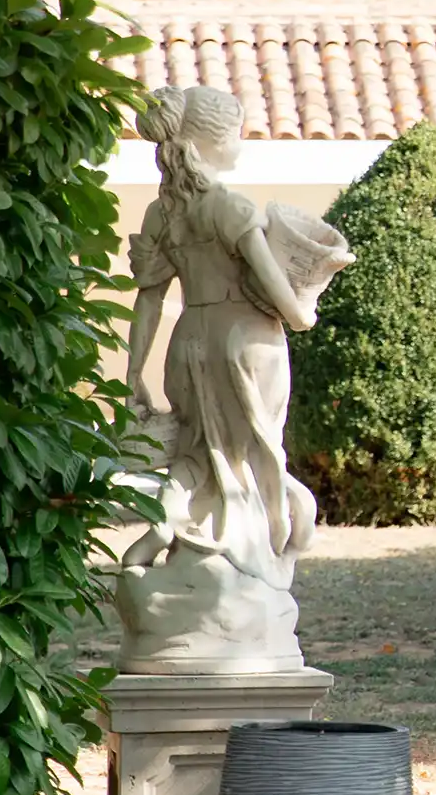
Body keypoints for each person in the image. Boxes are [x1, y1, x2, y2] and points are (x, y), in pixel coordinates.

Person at [115, 85, 347, 673]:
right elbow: (274, 285)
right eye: (238, 131)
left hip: (187, 344)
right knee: (250, 462)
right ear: (215, 140)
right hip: (247, 345)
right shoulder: (230, 207)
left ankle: (172, 541)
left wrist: (134, 371)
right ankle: (258, 570)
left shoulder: (163, 211)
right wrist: (303, 312)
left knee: (202, 454)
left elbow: (148, 300)